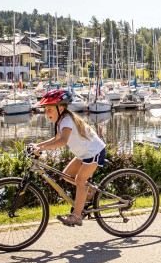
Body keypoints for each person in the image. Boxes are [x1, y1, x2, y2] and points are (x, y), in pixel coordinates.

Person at [30, 89, 107, 226]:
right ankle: (89, 191)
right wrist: (38, 144)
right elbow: (56, 138)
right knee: (66, 175)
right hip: (84, 154)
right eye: (45, 110)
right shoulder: (62, 120)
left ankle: (77, 215)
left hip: (94, 152)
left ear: (60, 108)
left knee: (79, 181)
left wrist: (42, 149)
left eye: (49, 109)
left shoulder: (66, 120)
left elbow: (63, 141)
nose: (46, 113)